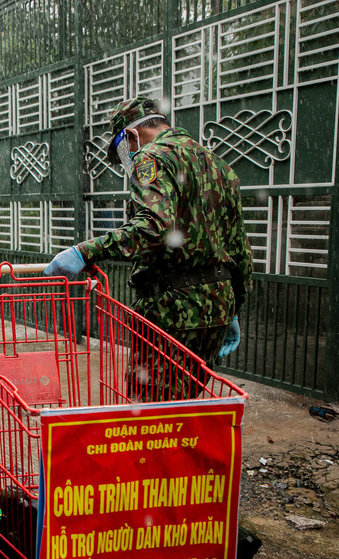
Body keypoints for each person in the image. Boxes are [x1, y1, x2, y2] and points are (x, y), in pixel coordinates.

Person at [46, 96, 253, 400]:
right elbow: (239, 247)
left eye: (122, 152)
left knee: (152, 416)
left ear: (130, 136)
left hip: (173, 310)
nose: (126, 159)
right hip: (216, 310)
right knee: (185, 407)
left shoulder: (151, 158)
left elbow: (155, 227)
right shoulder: (218, 164)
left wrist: (85, 251)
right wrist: (234, 306)